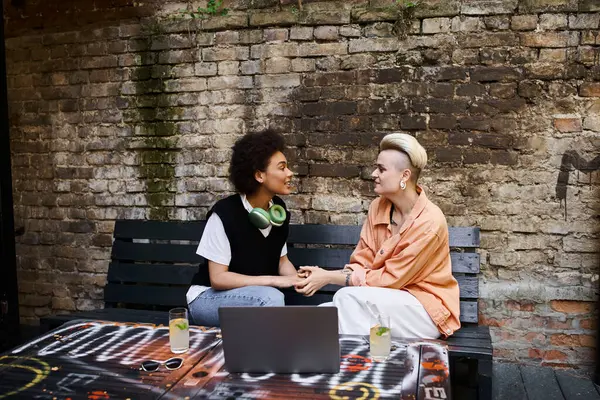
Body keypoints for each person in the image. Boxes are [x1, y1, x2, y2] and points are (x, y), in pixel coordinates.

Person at [294, 133, 460, 339]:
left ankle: (358, 365)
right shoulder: (378, 207)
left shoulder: (429, 222)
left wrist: (328, 277)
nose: (374, 173)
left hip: (424, 310)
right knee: (322, 314)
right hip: (380, 301)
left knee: (345, 299)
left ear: (405, 176)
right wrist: (320, 274)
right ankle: (368, 363)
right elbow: (362, 263)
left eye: (381, 169)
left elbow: (391, 280)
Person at [187, 129, 301, 326]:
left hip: (252, 296)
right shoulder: (225, 213)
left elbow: (282, 262)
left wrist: (300, 279)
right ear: (259, 175)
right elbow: (218, 278)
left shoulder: (278, 211)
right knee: (271, 298)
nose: (290, 173)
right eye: (282, 168)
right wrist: (274, 281)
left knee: (272, 298)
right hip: (207, 298)